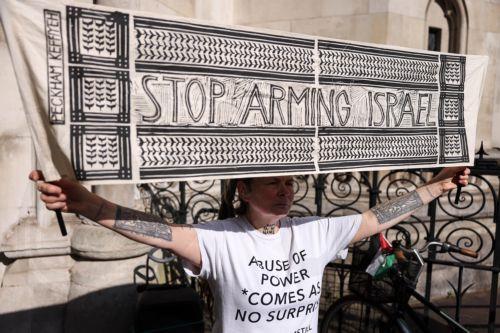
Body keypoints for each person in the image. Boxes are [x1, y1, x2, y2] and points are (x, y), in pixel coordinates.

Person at [29, 167, 469, 333]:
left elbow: (377, 218)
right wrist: (87, 203)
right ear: (244, 188)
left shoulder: (315, 231)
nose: (286, 190)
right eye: (273, 182)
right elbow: (154, 231)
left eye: (290, 182)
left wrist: (436, 187)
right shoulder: (220, 239)